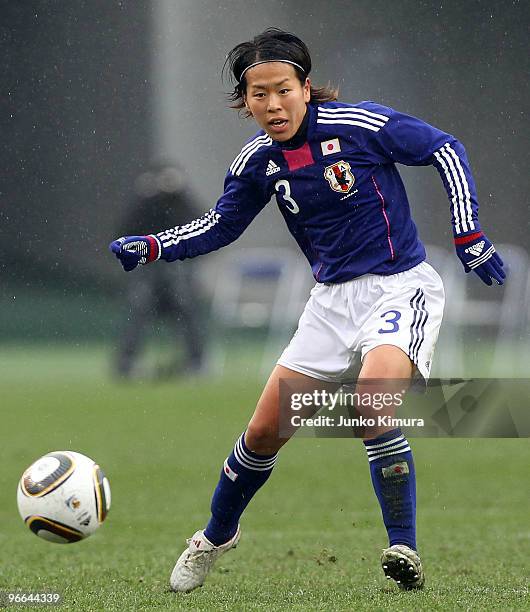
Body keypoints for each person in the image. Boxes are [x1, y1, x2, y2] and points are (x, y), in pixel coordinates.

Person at [109, 28, 505, 592]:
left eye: (283, 90)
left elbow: (445, 148)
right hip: (329, 304)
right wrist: (153, 246)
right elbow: (219, 226)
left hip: (398, 288)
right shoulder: (256, 160)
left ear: (306, 87)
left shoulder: (358, 125)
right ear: (244, 101)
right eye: (258, 94)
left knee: (373, 403)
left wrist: (467, 235)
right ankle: (215, 536)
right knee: (263, 430)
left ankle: (403, 546)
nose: (272, 104)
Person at [113, 162, 206, 379]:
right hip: (146, 266)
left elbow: (201, 227)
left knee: (186, 307)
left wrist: (179, 194)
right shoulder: (145, 204)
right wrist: (147, 198)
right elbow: (125, 232)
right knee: (138, 309)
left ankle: (196, 361)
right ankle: (127, 362)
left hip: (176, 264)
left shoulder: (181, 203)